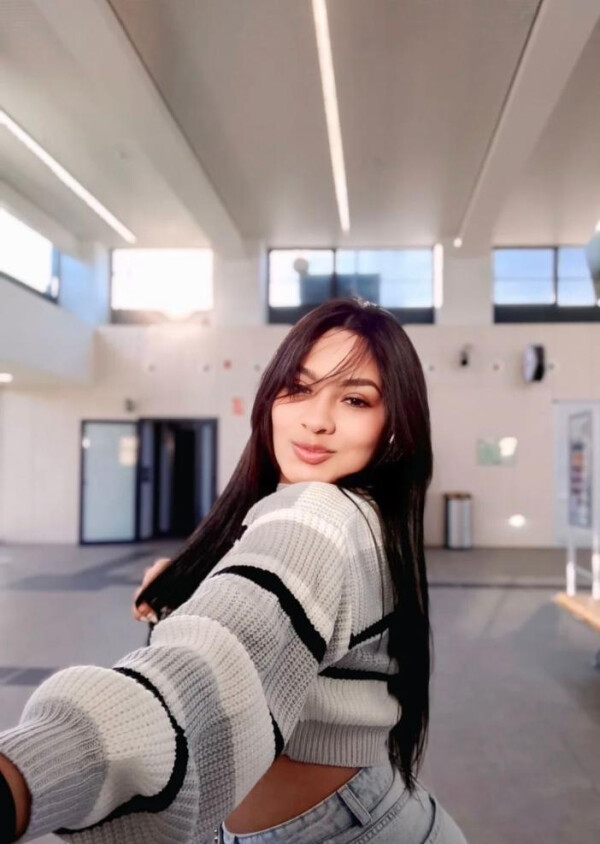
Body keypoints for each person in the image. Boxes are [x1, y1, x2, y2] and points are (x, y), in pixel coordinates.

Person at [0, 297, 468, 844]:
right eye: (298, 388)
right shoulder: (363, 515)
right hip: (365, 810)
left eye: (355, 399)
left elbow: (204, 672)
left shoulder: (320, 515)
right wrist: (202, 590)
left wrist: (28, 775)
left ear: (394, 424)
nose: (317, 420)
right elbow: (268, 612)